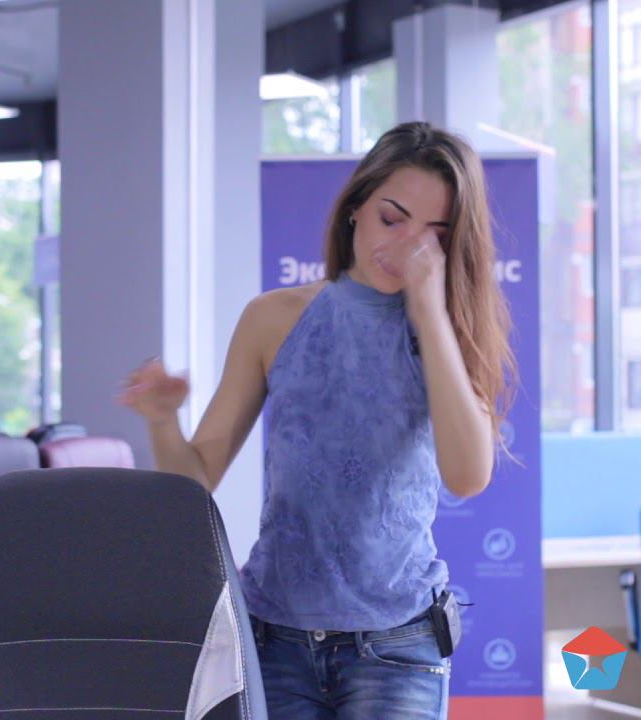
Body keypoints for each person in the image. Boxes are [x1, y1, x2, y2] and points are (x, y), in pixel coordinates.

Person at [117, 121, 518, 719]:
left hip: (397, 643)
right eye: (392, 219)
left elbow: (468, 476)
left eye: (434, 235)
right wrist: (161, 420)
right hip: (273, 637)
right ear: (356, 208)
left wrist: (430, 314)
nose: (407, 246)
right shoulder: (272, 318)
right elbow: (194, 483)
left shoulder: (449, 329)